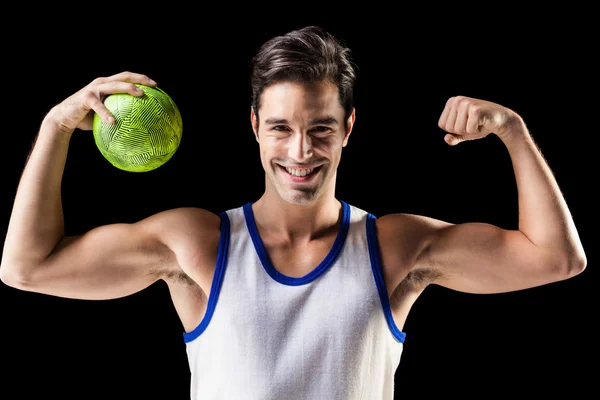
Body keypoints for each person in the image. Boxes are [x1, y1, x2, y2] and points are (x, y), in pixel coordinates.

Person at [0, 25, 587, 400]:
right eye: (280, 128)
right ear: (255, 127)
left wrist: (513, 131)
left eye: (321, 129)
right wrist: (56, 127)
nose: (300, 152)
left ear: (348, 129)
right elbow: (26, 268)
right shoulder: (197, 244)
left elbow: (556, 260)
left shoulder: (394, 248)